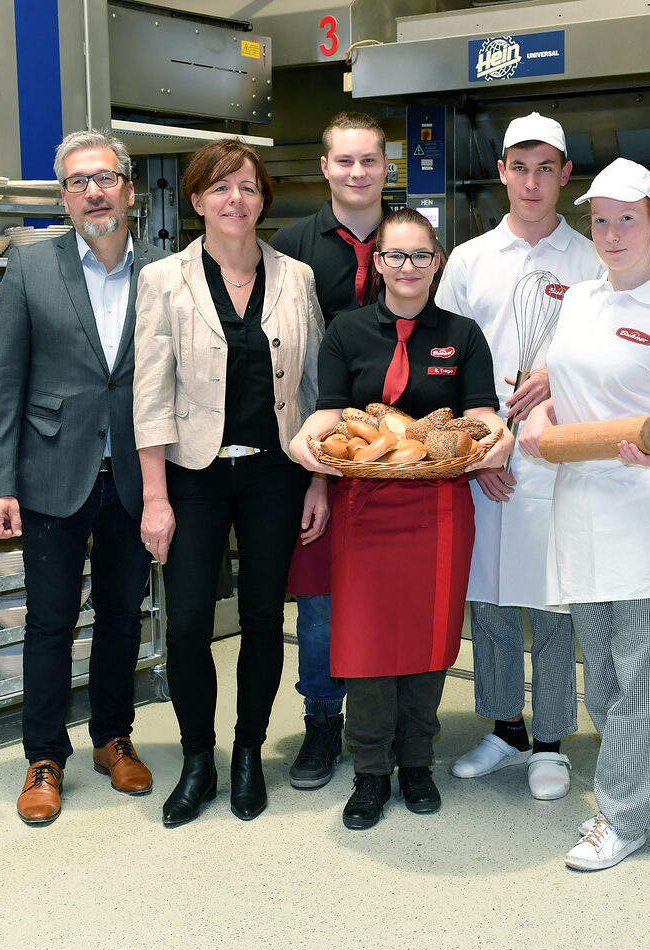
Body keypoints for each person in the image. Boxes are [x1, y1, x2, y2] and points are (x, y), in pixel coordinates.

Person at [290, 208, 513, 830]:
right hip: (363, 509)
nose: (408, 267)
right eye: (396, 256)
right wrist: (304, 448)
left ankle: (416, 762)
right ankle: (369, 773)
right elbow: (331, 414)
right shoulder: (347, 331)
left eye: (421, 256)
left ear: (436, 261)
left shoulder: (463, 334)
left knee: (427, 642)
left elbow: (480, 414)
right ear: (378, 262)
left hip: (440, 507)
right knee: (364, 643)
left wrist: (500, 440)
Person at [519, 159, 650, 871]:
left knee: (643, 673)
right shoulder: (579, 303)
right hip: (580, 504)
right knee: (601, 670)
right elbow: (554, 385)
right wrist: (540, 414)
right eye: (600, 219)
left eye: (628, 217)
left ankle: (621, 816)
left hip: (643, 509)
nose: (612, 232)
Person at [133, 139, 325, 827]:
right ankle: (196, 759)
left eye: (247, 187)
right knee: (185, 625)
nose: (235, 200)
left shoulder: (296, 278)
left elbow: (313, 390)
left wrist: (319, 481)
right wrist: (155, 497)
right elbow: (150, 396)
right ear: (195, 201)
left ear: (263, 197)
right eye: (219, 188)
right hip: (193, 474)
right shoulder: (163, 280)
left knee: (263, 620)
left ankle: (248, 751)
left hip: (277, 471)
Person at [0, 129, 164, 826]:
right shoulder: (30, 269)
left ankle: (113, 738)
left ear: (129, 189)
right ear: (64, 197)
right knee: (51, 622)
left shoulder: (165, 272)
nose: (94, 192)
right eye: (78, 182)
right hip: (52, 472)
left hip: (136, 474)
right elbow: (4, 385)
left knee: (122, 616)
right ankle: (44, 755)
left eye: (106, 178)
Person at [435, 112, 601, 801]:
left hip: (563, 457)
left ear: (565, 175)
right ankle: (506, 727)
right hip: (486, 459)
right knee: (494, 597)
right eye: (519, 167)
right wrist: (479, 451)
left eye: (546, 169)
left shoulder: (592, 258)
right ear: (501, 171)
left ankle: (553, 739)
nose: (532, 183)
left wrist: (560, 379)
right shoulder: (470, 261)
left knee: (555, 601)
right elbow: (441, 362)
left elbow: (615, 355)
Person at [270, 112, 395, 791]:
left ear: (385, 166)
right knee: (319, 602)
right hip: (320, 453)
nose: (356, 172)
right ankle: (323, 720)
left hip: (402, 451)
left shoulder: (412, 241)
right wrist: (310, 468)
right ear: (325, 167)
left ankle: (392, 722)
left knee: (389, 593)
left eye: (369, 160)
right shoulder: (290, 250)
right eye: (344, 161)